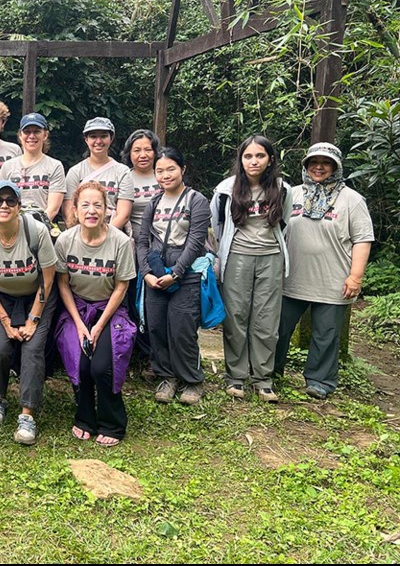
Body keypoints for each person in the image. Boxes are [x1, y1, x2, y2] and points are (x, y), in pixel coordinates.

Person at [274, 142, 374, 399]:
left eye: (326, 162)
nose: (319, 167)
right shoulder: (291, 194)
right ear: (306, 166)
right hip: (290, 277)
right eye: (314, 162)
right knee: (278, 329)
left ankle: (320, 381)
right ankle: (271, 372)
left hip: (333, 280)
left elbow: (362, 239)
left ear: (336, 167)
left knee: (326, 334)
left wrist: (356, 276)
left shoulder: (352, 199)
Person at [0, 181, 56, 445]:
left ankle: (27, 414)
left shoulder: (36, 231)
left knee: (32, 349)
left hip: (36, 296)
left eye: (10, 201)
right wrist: (5, 321)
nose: (4, 206)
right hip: (1, 298)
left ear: (19, 206)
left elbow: (48, 279)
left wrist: (33, 318)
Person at [211, 135, 292, 402]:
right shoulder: (226, 189)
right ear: (240, 159)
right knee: (236, 317)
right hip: (237, 257)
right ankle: (235, 377)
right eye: (248, 156)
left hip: (270, 257)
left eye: (260, 156)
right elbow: (218, 224)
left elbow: (285, 224)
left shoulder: (282, 189)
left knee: (267, 320)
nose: (254, 161)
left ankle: (263, 379)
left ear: (270, 160)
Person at [55, 182, 137, 447]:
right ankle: (85, 417)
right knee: (80, 362)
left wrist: (99, 326)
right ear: (75, 210)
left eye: (97, 205)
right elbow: (63, 284)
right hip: (77, 308)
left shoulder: (121, 242)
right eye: (85, 205)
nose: (91, 211)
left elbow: (122, 285)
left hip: (109, 310)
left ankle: (112, 422)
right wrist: (79, 324)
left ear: (107, 210)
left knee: (102, 365)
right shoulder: (65, 240)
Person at [136, 147, 211, 405]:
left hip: (186, 274)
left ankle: (192, 380)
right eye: (160, 170)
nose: (165, 175)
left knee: (182, 328)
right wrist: (145, 273)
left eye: (171, 169)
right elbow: (142, 240)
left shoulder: (197, 200)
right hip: (155, 274)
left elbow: (196, 241)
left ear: (183, 169)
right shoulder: (154, 203)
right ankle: (166, 376)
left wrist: (177, 273)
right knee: (156, 327)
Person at [120, 129, 162, 377]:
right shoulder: (125, 178)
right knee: (137, 302)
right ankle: (144, 355)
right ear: (129, 153)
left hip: (164, 250)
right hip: (134, 248)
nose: (143, 154)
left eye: (148, 149)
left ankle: (162, 356)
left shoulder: (165, 174)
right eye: (137, 150)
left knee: (158, 302)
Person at [63, 117, 134, 230]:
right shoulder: (75, 172)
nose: (98, 141)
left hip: (112, 232)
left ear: (111, 138)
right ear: (86, 139)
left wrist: (104, 236)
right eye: (93, 136)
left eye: (103, 136)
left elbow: (123, 214)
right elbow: (69, 211)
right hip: (81, 232)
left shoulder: (122, 172)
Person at [0, 113, 66, 230]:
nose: (31, 136)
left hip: (43, 229)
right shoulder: (8, 166)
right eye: (27, 132)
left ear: (45, 135)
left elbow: (53, 209)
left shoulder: (55, 166)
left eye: (36, 131)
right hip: (11, 228)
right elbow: (1, 202)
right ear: (20, 135)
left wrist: (34, 230)